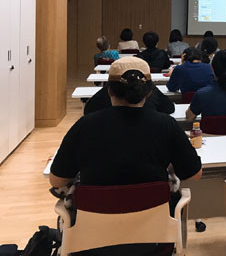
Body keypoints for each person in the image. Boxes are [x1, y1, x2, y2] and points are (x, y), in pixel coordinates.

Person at [50, 58, 202, 256]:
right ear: (149, 91)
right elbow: (195, 174)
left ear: (109, 91)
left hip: (92, 243)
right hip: (153, 241)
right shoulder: (166, 125)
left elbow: (57, 180)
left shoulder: (84, 126)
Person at [186, 50, 226, 121]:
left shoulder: (201, 94)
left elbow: (189, 118)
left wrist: (194, 103)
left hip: (210, 128)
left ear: (212, 67)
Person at [84, 82, 174, 115]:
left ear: (110, 92)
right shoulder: (166, 123)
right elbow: (169, 108)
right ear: (148, 93)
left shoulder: (87, 123)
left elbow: (88, 110)